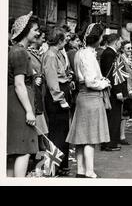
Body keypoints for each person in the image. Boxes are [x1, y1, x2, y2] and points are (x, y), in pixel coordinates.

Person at [66, 23, 111, 178]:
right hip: (91, 97)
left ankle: (80, 170)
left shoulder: (79, 53)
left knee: (81, 137)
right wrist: (104, 83)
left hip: (81, 96)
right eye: (101, 36)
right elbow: (91, 82)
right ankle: (89, 171)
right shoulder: (89, 55)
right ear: (97, 38)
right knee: (90, 137)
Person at [7, 12, 39, 177]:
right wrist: (28, 110)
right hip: (19, 105)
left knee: (13, 153)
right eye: (35, 30)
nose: (38, 33)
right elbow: (19, 84)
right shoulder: (20, 53)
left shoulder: (15, 51)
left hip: (14, 103)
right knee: (24, 149)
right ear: (26, 31)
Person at [42, 27, 73, 176]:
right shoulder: (51, 55)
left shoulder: (58, 54)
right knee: (57, 133)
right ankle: (51, 168)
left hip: (62, 92)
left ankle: (60, 165)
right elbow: (52, 80)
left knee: (63, 131)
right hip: (56, 97)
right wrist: (60, 99)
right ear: (59, 40)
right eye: (64, 39)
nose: (66, 41)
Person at [100, 34, 125, 151]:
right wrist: (118, 91)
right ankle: (109, 143)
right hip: (112, 91)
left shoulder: (109, 53)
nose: (121, 44)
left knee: (114, 117)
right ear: (116, 42)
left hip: (111, 90)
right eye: (120, 42)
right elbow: (113, 74)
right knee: (113, 117)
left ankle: (110, 142)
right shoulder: (110, 54)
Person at [27, 27, 49, 152]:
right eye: (42, 38)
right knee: (38, 126)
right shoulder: (27, 53)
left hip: (40, 92)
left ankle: (40, 154)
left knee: (41, 125)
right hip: (34, 93)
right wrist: (35, 77)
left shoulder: (38, 52)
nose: (44, 40)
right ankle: (38, 156)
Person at [120, 40, 132, 143]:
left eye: (131, 48)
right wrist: (129, 89)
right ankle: (121, 136)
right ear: (122, 49)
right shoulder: (121, 59)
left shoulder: (129, 59)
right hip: (125, 89)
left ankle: (121, 135)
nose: (130, 50)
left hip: (130, 88)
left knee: (125, 114)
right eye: (128, 48)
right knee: (123, 113)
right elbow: (122, 75)